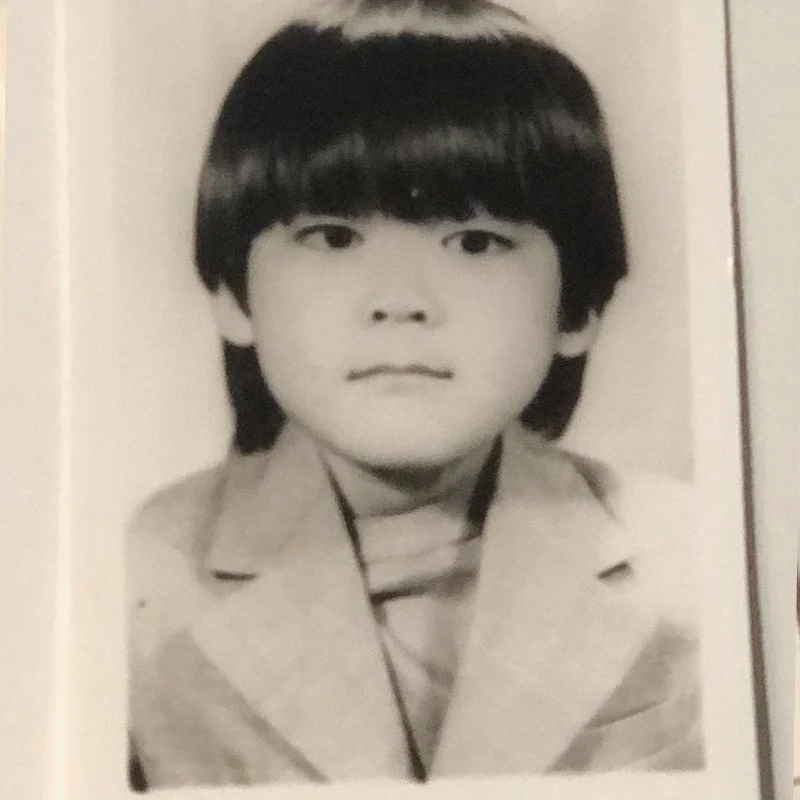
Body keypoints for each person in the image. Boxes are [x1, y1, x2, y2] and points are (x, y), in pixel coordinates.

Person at [127, 0, 704, 789]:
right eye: (333, 236)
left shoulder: (702, 566)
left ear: (578, 307)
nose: (400, 300)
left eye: (475, 242)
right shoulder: (133, 574)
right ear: (233, 291)